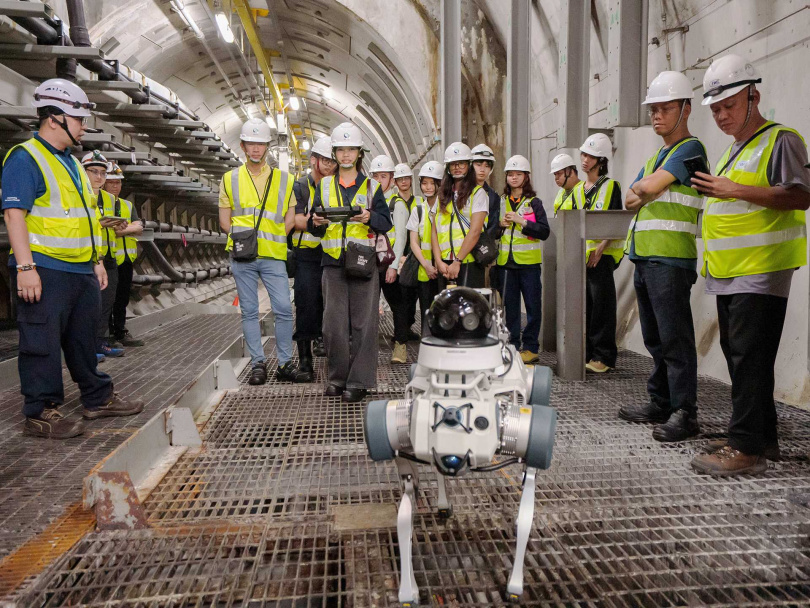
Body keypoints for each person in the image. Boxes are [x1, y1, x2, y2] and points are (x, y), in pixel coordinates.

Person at [1, 79, 143, 439]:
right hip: (45, 267)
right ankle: (40, 411)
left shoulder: (73, 164)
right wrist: (25, 267)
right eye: (77, 118)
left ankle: (97, 398)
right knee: (42, 343)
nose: (82, 125)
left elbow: (85, 218)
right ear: (53, 118)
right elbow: (14, 216)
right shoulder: (25, 158)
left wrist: (95, 259)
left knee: (84, 339)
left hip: (80, 267)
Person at [690, 55, 810, 476]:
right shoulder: (734, 149)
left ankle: (745, 449)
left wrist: (731, 188)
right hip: (731, 270)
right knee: (740, 354)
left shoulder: (782, 140)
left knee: (748, 357)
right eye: (716, 109)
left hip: (761, 267)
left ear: (753, 97)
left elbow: (800, 194)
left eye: (729, 105)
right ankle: (761, 438)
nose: (721, 115)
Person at [617, 71, 707, 443]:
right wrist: (648, 186)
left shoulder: (690, 148)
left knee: (675, 337)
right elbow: (630, 198)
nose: (656, 116)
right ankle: (662, 401)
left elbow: (646, 187)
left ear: (685, 109)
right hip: (646, 258)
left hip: (670, 259)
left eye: (664, 108)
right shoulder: (659, 154)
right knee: (655, 337)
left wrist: (650, 186)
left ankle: (685, 412)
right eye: (653, 109)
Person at [308, 122, 393, 402]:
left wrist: (370, 217)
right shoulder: (325, 185)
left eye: (351, 150)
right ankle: (337, 378)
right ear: (335, 153)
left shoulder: (371, 187)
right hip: (332, 263)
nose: (346, 155)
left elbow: (385, 222)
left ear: (359, 153)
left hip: (363, 262)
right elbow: (314, 225)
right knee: (333, 325)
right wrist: (315, 222)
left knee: (363, 325)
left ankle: (358, 381)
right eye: (341, 150)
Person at [219, 118, 305, 385]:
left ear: (267, 147)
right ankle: (258, 364)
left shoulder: (284, 179)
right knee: (249, 311)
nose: (256, 149)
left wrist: (275, 238)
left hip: (274, 255)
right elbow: (224, 220)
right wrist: (243, 238)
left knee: (282, 308)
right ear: (243, 146)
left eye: (261, 144)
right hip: (243, 256)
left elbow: (290, 218)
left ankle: (284, 363)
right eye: (251, 144)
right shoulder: (229, 178)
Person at [574, 133, 624, 373]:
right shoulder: (577, 190)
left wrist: (601, 248)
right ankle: (586, 351)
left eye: (590, 156)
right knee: (586, 306)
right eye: (583, 154)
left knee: (602, 306)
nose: (585, 160)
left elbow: (614, 221)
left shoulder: (611, 187)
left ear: (600, 160)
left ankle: (603, 356)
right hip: (581, 257)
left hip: (601, 257)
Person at [494, 155, 550, 363]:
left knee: (533, 306)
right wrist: (499, 226)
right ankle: (513, 345)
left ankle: (531, 347)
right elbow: (493, 232)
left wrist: (521, 221)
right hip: (506, 264)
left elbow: (544, 231)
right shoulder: (501, 202)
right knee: (511, 308)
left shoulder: (534, 203)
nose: (514, 178)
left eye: (518, 174)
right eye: (510, 174)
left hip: (529, 264)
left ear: (526, 177)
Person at [291, 136, 335, 381]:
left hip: (331, 252)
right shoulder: (301, 187)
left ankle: (329, 348)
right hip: (306, 255)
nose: (329, 166)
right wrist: (314, 221)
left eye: (332, 161)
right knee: (306, 303)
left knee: (330, 305)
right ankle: (305, 360)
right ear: (314, 160)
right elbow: (296, 220)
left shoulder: (337, 186)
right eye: (325, 160)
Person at [82, 151, 124, 360]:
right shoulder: (77, 193)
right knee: (88, 305)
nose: (99, 177)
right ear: (84, 172)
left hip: (108, 257)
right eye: (94, 172)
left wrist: (120, 224)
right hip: (87, 257)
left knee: (106, 303)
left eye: (103, 173)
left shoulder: (110, 199)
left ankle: (100, 343)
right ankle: (86, 348)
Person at [432, 143, 489, 289]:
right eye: (453, 164)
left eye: (461, 163)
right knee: (446, 310)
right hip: (445, 263)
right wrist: (438, 261)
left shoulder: (477, 193)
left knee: (468, 309)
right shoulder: (442, 195)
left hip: (468, 262)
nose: (457, 167)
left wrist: (458, 261)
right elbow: (434, 230)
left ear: (468, 165)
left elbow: (475, 231)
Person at [105, 162, 145, 348]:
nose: (115, 186)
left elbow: (139, 227)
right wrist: (126, 229)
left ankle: (120, 331)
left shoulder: (127, 205)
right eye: (111, 182)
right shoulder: (100, 202)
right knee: (107, 298)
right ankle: (107, 334)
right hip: (107, 258)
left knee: (122, 297)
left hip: (126, 259)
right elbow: (105, 230)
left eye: (118, 182)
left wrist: (120, 229)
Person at [388, 163, 422, 363]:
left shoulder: (419, 202)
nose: (403, 182)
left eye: (406, 178)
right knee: (401, 299)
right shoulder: (393, 203)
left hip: (415, 255)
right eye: (400, 179)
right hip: (399, 257)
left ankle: (406, 328)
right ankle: (401, 336)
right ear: (396, 182)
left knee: (412, 297)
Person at [408, 161, 443, 328]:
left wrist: (438, 264)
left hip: (444, 269)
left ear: (440, 184)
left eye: (432, 183)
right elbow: (414, 242)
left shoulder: (447, 208)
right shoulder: (418, 210)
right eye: (424, 183)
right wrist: (426, 265)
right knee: (426, 312)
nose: (428, 187)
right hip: (425, 270)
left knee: (444, 312)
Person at [471, 143, 502, 288]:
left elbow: (492, 226)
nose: (482, 169)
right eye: (478, 164)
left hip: (478, 252)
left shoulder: (493, 196)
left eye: (487, 165)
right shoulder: (459, 191)